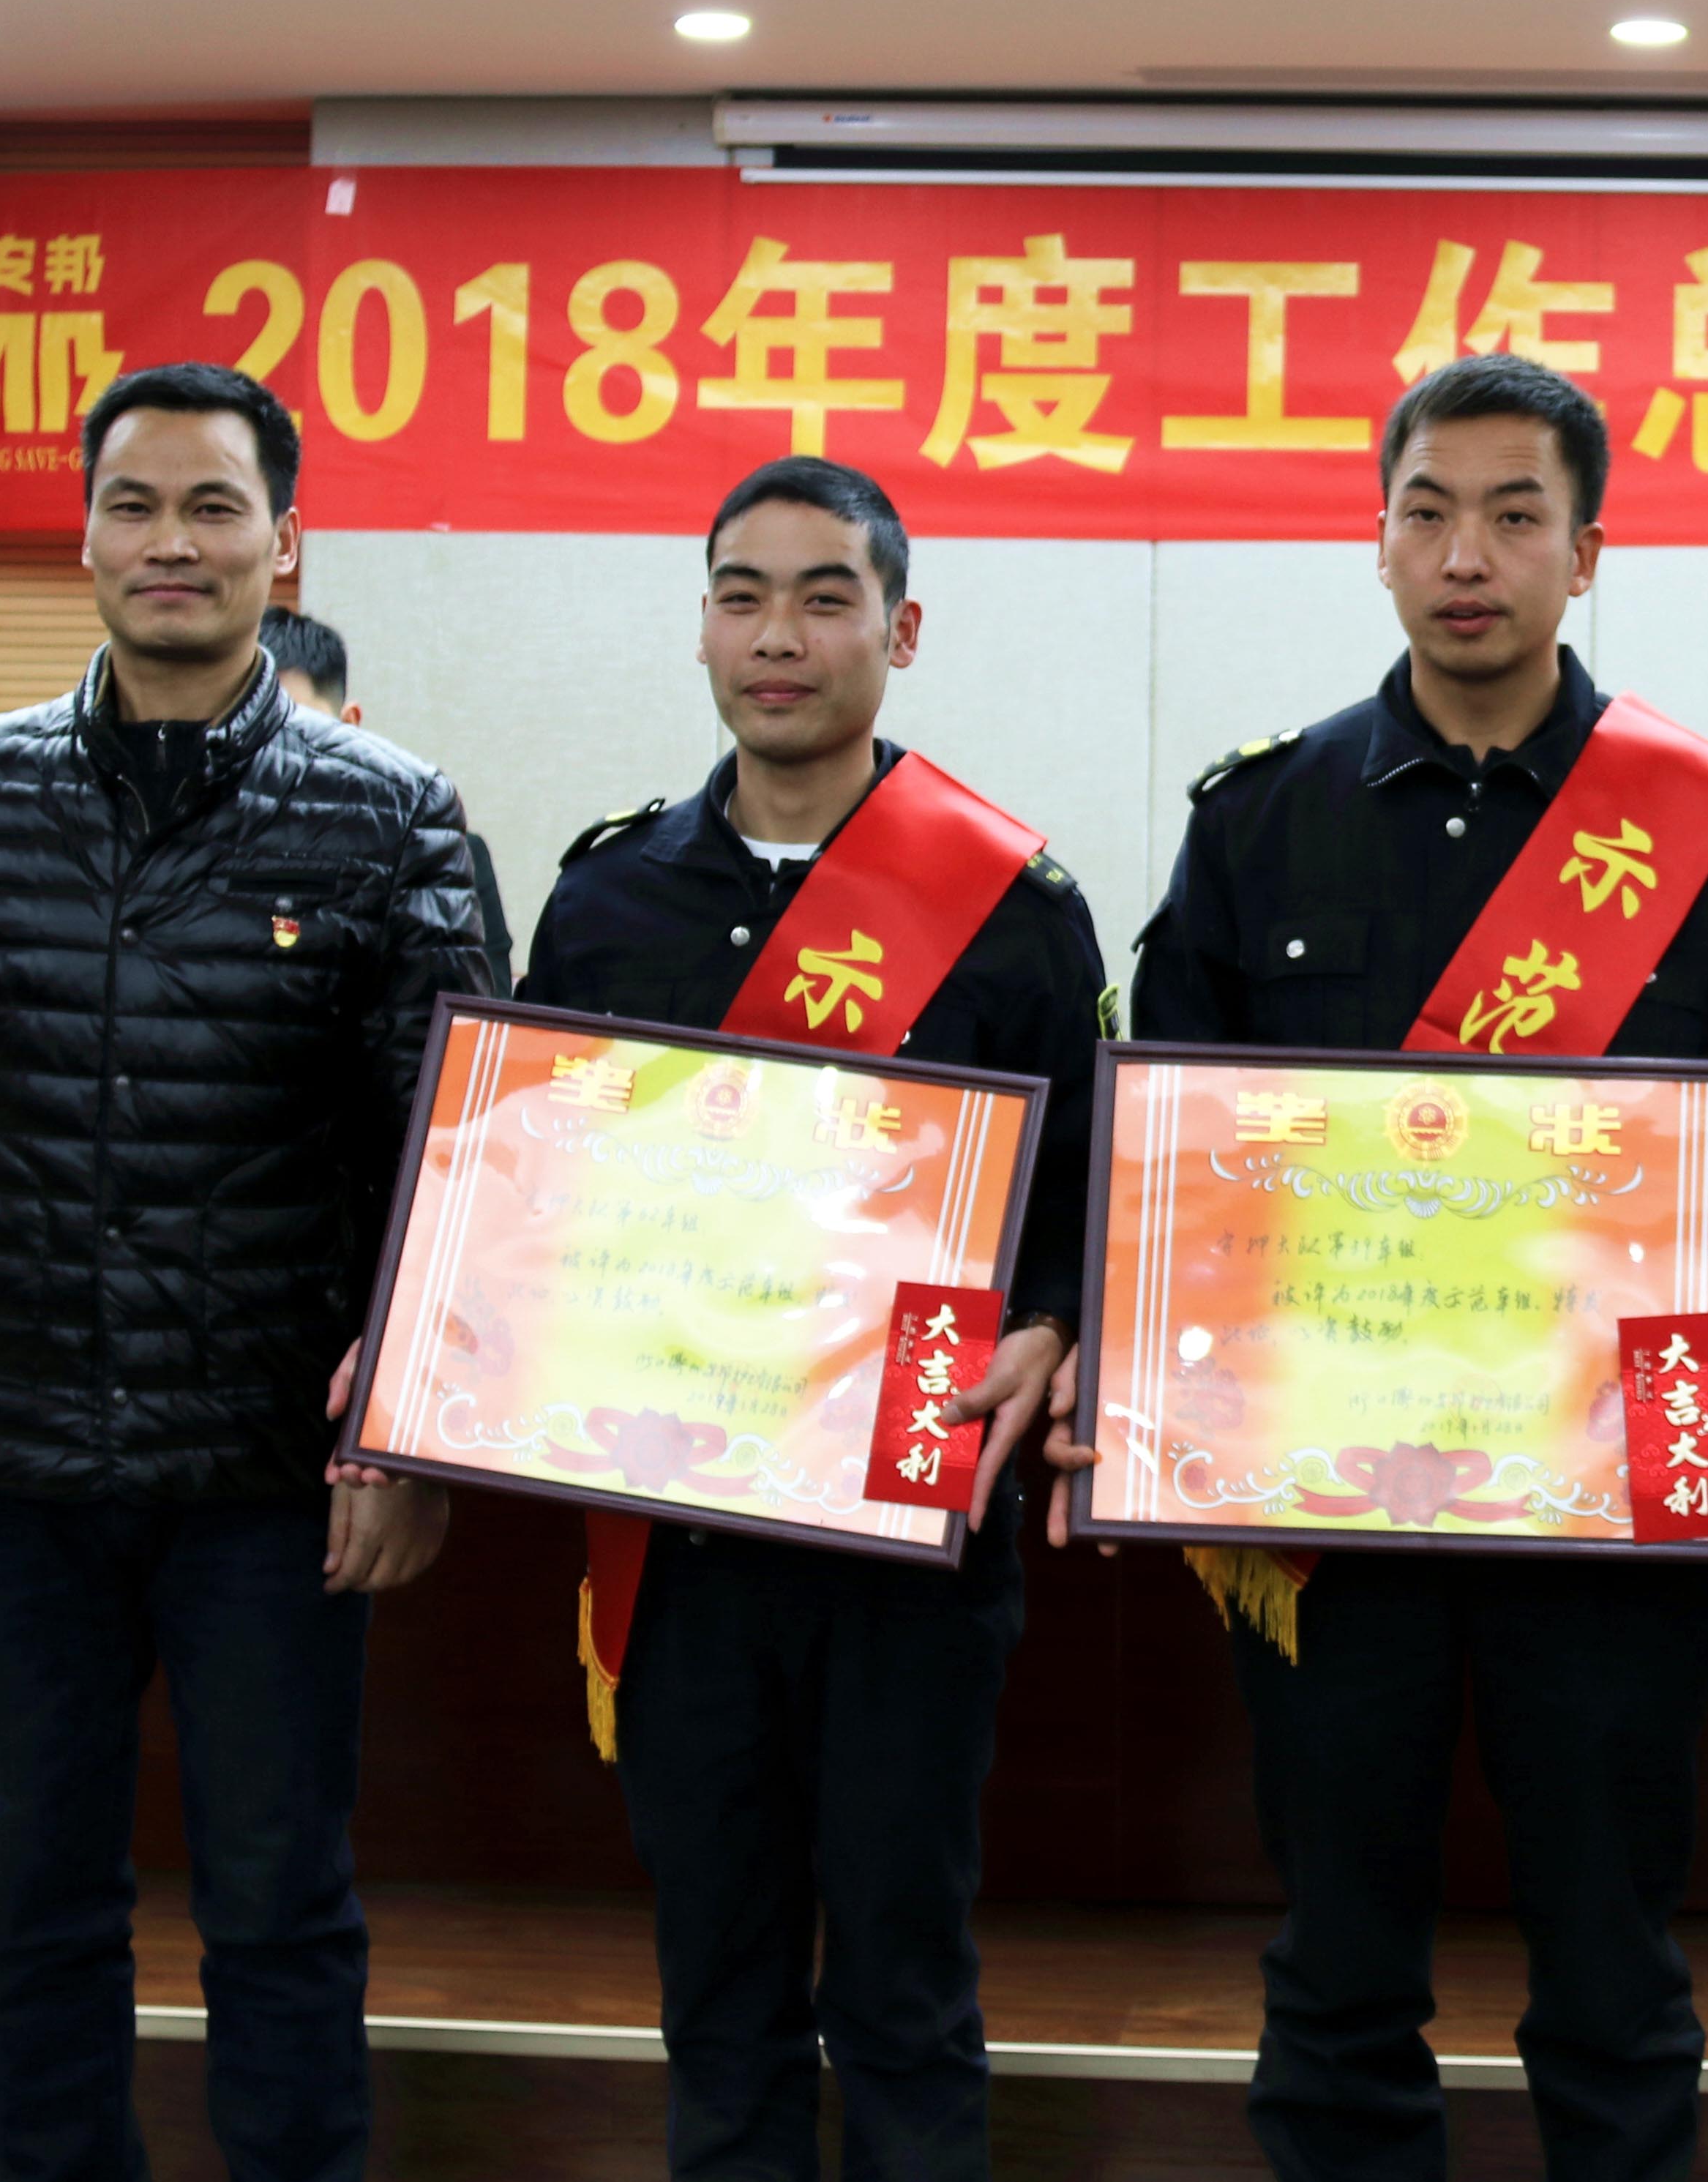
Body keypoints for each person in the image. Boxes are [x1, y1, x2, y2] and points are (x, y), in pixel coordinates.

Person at [1073, 352, 1708, 2182]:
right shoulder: (1258, 818)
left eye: (1517, 516)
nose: (1467, 555)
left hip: (1613, 1493)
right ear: (1376, 540)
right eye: (1428, 511)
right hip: (1319, 1499)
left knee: (1609, 1954)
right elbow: (1161, 1155)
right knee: (1335, 1957)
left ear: (1584, 552)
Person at [0, 360, 481, 2182]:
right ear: (87, 534)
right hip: (7, 1459)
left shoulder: (393, 811)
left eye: (211, 506)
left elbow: (456, 1164)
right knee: (32, 1900)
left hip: (272, 1480)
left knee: (280, 1902)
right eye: (133, 503)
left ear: (284, 540)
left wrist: (405, 1432)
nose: (170, 540)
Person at [506, 454, 1105, 2181]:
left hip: (908, 1541)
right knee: (719, 1981)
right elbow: (526, 1182)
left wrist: (1054, 1323)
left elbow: (1091, 1204)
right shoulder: (606, 897)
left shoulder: (1012, 905)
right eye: (743, 595)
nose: (780, 634)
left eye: (826, 597)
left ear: (899, 632)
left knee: (905, 1980)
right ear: (702, 626)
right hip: (679, 1538)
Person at [261, 603, 517, 987]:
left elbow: (477, 1012)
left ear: (349, 726)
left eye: (301, 731)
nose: (277, 755)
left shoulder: (437, 855)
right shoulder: (188, 852)